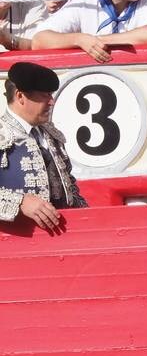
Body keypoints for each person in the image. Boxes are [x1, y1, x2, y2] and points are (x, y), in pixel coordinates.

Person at [0, 61, 85, 232]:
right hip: (14, 243)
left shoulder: (51, 134)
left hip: (62, 238)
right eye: (45, 95)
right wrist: (20, 201)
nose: (51, 102)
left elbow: (69, 187)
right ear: (20, 96)